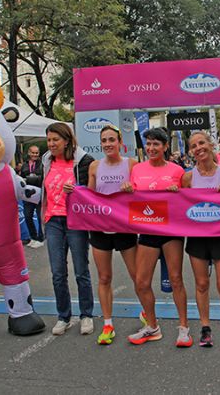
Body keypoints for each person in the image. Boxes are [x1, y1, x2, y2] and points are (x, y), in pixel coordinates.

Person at [125, 127, 191, 347]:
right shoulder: (137, 170)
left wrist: (177, 192)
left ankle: (184, 329)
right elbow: (129, 199)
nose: (151, 148)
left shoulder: (177, 170)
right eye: (148, 144)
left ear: (164, 147)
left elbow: (188, 199)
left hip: (171, 230)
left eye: (156, 144)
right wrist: (126, 190)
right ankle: (152, 326)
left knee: (176, 279)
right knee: (142, 282)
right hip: (147, 230)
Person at [181, 131, 220, 347]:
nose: (198, 148)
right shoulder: (187, 177)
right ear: (191, 151)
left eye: (202, 143)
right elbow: (179, 204)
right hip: (197, 236)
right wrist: (172, 191)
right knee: (202, 283)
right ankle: (205, 327)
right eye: (194, 145)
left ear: (211, 144)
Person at [41, 122, 95, 336]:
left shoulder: (82, 162)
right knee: (57, 273)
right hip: (53, 221)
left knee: (81, 271)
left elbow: (92, 190)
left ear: (67, 141)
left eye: (55, 140)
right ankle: (64, 316)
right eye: (49, 140)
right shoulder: (47, 161)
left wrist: (77, 190)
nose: (51, 144)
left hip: (75, 221)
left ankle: (86, 315)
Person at [87, 125, 138, 345]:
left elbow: (140, 193)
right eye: (104, 140)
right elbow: (89, 197)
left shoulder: (131, 164)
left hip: (125, 227)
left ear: (120, 142)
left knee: (138, 276)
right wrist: (73, 192)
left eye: (111, 140)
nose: (108, 144)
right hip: (101, 228)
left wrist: (132, 188)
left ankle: (147, 315)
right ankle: (108, 324)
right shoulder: (95, 166)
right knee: (104, 277)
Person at [19, 145, 44, 248]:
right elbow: (21, 178)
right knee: (28, 216)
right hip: (28, 195)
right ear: (29, 153)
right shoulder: (24, 165)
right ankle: (33, 237)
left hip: (39, 194)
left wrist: (30, 178)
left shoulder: (42, 164)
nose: (35, 155)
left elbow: (43, 177)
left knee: (39, 217)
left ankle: (41, 238)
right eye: (33, 153)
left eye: (36, 153)